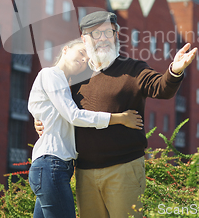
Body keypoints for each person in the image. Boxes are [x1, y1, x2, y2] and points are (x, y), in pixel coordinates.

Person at [35, 11, 197, 218]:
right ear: (84, 39)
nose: (103, 38)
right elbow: (61, 110)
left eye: (108, 32)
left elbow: (161, 88)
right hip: (84, 172)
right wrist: (39, 121)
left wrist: (175, 70)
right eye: (96, 34)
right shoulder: (76, 77)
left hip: (124, 169)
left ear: (116, 35)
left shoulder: (134, 69)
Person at [27, 38, 143, 218]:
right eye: (81, 52)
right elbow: (74, 116)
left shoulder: (67, 86)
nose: (83, 60)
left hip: (55, 168)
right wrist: (119, 118)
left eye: (86, 59)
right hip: (51, 165)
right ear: (65, 49)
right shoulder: (51, 74)